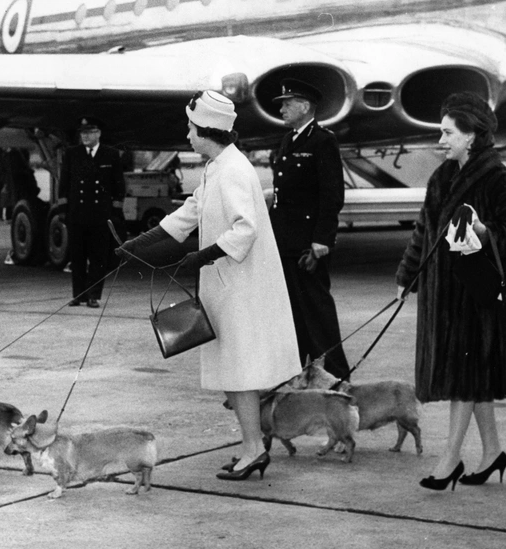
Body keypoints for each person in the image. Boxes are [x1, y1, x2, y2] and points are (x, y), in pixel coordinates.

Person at [117, 91, 300, 480]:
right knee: (233, 370)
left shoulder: (233, 170)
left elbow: (245, 228)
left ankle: (254, 450)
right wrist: (138, 243)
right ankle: (251, 447)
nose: (187, 135)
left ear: (207, 130)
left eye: (191, 128)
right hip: (226, 285)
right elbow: (191, 210)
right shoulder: (219, 166)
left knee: (241, 371)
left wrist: (201, 256)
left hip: (242, 288)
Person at [395, 92, 506, 491]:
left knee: (465, 379)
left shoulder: (497, 177)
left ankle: (449, 459)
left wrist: (484, 231)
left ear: (471, 136)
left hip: (480, 300)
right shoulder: (441, 177)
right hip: (445, 299)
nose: (440, 139)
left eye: (448, 132)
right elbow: (423, 231)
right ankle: (492, 453)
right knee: (473, 380)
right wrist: (408, 274)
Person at [268, 78, 350, 379]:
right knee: (295, 313)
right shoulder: (289, 140)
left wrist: (321, 240)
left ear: (305, 106)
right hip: (286, 241)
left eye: (287, 104)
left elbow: (332, 194)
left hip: (307, 243)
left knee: (317, 312)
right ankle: (305, 374)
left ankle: (337, 377)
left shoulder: (322, 141)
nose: (282, 109)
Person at [59, 117, 125, 308]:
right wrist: (63, 210)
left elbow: (118, 184)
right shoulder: (72, 154)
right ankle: (78, 295)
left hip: (100, 215)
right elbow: (64, 183)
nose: (85, 136)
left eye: (89, 132)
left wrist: (115, 212)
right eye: (83, 133)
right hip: (77, 214)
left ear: (98, 134)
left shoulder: (110, 155)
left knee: (98, 257)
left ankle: (93, 295)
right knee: (77, 257)